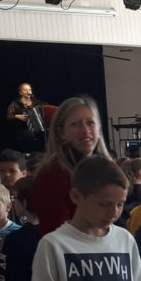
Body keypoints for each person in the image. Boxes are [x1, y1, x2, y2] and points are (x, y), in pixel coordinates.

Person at [32, 96, 112, 236]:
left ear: (99, 128)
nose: (85, 130)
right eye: (75, 124)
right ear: (61, 133)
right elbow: (56, 234)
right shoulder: (52, 174)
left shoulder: (109, 169)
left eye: (90, 123)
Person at [6, 82, 47, 150]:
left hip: (38, 129)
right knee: (29, 135)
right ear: (20, 92)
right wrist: (17, 116)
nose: (28, 92)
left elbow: (45, 111)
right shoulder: (16, 103)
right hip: (23, 129)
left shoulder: (38, 103)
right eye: (25, 90)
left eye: (29, 90)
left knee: (45, 135)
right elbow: (9, 116)